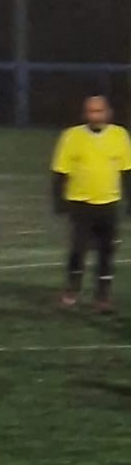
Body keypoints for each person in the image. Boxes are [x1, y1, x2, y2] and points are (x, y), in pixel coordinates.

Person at [50, 94, 131, 312]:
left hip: (109, 203)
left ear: (108, 112)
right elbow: (60, 171)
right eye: (91, 111)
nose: (95, 116)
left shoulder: (120, 135)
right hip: (80, 203)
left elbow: (127, 171)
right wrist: (59, 202)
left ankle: (103, 297)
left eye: (99, 111)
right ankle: (72, 291)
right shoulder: (71, 136)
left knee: (107, 251)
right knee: (78, 249)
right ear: (85, 114)